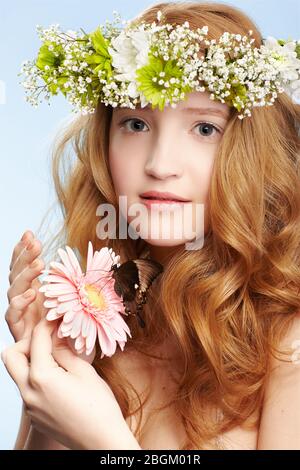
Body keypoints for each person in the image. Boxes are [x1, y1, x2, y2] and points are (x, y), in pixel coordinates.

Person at [2, 1, 300, 450]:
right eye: (136, 123)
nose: (160, 165)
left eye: (204, 129)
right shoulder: (96, 326)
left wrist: (106, 443)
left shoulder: (287, 344)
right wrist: (54, 369)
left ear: (252, 150)